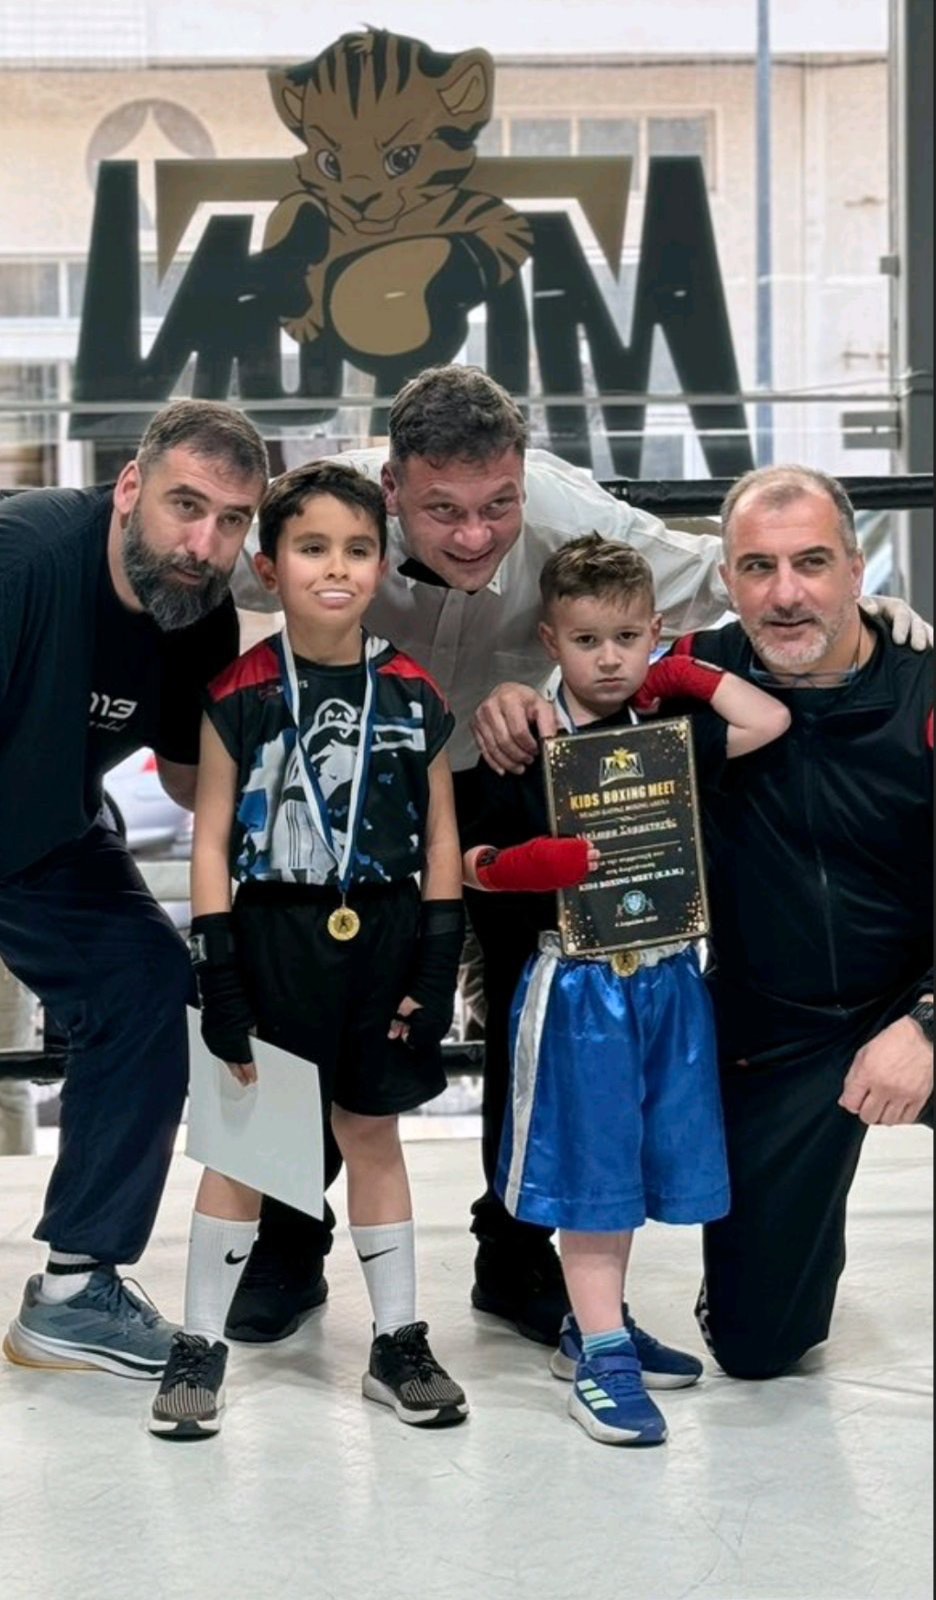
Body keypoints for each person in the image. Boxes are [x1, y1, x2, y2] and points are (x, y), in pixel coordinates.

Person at [227, 365, 927, 1351]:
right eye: (442, 510)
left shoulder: (567, 511)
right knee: (299, 1005)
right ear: (390, 486)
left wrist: (877, 616)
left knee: (539, 1017)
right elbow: (199, 562)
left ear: (524, 479)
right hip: (343, 789)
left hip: (520, 786)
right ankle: (283, 1242)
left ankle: (515, 1254)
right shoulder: (325, 508)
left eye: (498, 505)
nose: (475, 535)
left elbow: (713, 573)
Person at [149, 461, 468, 1440]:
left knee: (372, 1133)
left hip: (386, 931)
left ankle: (398, 1339)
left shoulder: (411, 691)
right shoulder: (239, 691)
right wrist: (219, 971)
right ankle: (199, 1342)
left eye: (359, 549)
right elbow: (210, 840)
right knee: (245, 1143)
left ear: (381, 565)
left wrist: (436, 963)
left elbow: (442, 837)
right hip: (272, 935)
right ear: (268, 566)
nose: (337, 568)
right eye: (314, 548)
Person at [459, 536, 789, 1444]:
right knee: (594, 1172)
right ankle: (602, 1358)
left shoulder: (667, 729)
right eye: (586, 640)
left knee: (636, 1163)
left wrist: (684, 673)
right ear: (550, 640)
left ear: (655, 631)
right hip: (577, 986)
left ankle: (592, 1323)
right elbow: (459, 863)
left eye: (628, 638)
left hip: (670, 973)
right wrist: (521, 868)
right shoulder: (526, 745)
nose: (609, 659)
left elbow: (769, 721)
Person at [0, 400, 269, 1377]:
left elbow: (196, 786)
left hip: (44, 833)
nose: (203, 544)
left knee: (147, 978)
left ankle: (76, 1292)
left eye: (231, 521)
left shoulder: (200, 614)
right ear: (128, 489)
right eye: (184, 505)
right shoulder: (24, 561)